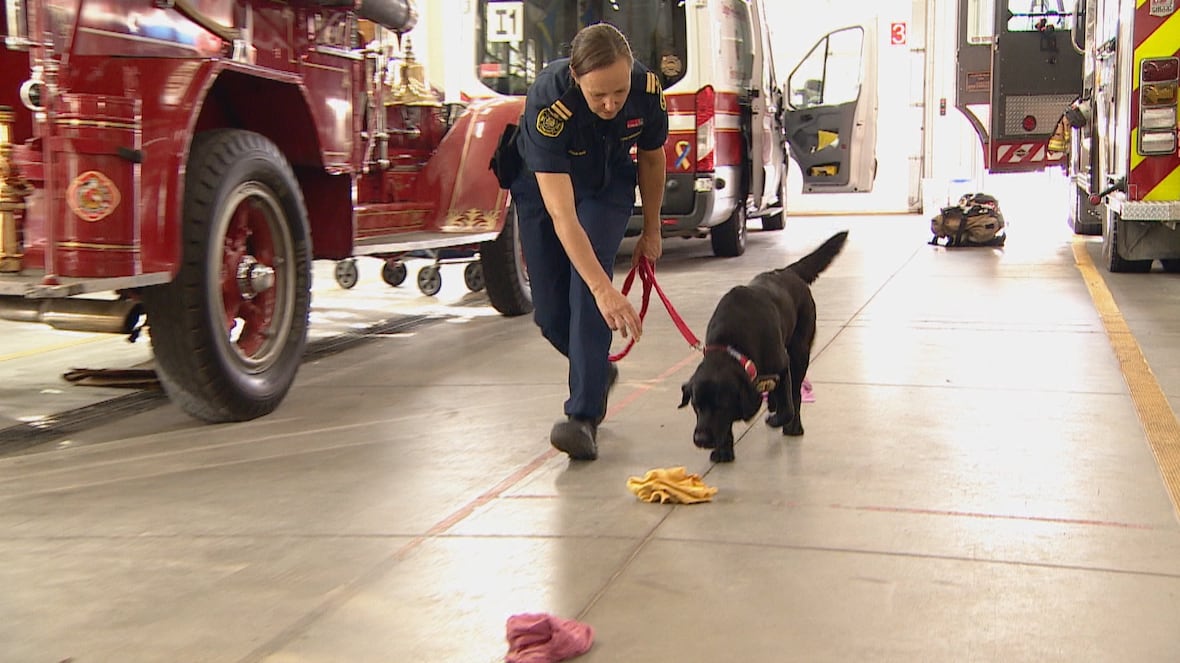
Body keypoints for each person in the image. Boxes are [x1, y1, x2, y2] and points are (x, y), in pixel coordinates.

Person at [509, 23, 668, 461]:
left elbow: (652, 159)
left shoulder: (648, 90)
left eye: (618, 91)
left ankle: (582, 417)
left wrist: (651, 229)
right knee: (551, 313)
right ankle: (595, 370)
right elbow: (561, 214)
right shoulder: (549, 100)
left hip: (607, 184)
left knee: (587, 290)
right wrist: (605, 291)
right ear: (576, 78)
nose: (610, 103)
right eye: (598, 94)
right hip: (545, 186)